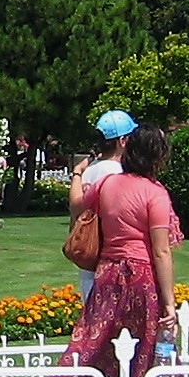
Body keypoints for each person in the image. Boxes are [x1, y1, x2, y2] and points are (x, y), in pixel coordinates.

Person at [54, 122, 181, 377]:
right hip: (142, 277)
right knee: (153, 350)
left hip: (108, 273)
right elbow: (161, 251)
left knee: (99, 347)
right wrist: (169, 302)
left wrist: (78, 174)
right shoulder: (156, 194)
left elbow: (77, 204)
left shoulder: (108, 184)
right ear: (158, 156)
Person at [69, 111, 136, 303]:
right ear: (123, 141)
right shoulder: (118, 172)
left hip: (88, 256)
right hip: (112, 261)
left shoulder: (89, 170)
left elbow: (75, 211)